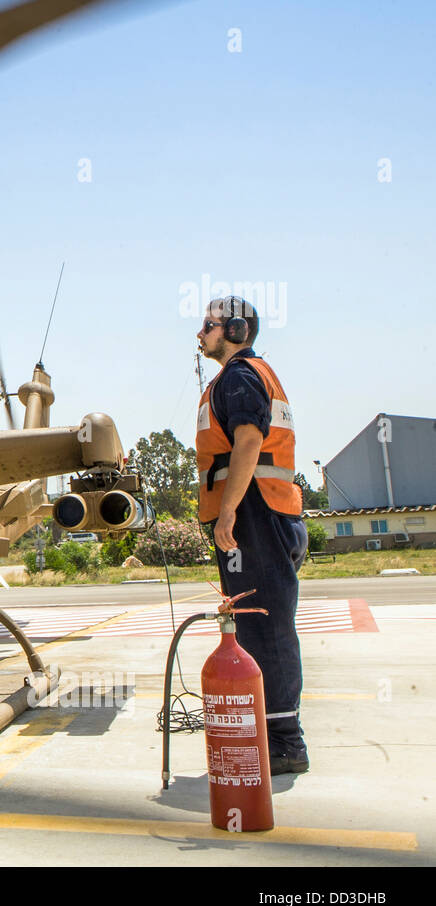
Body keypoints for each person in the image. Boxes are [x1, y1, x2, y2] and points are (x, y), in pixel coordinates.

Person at [195, 295, 310, 775]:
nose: (200, 333)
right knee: (254, 620)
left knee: (264, 623)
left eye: (209, 326)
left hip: (255, 516)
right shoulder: (245, 375)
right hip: (265, 513)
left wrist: (227, 514)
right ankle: (272, 731)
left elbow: (248, 441)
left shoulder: (241, 376)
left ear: (236, 331)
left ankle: (285, 742)